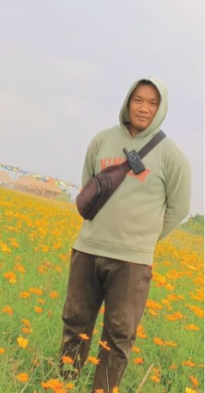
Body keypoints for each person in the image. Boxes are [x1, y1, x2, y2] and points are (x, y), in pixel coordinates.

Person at [59, 77, 191, 392]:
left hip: (132, 262)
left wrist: (143, 241)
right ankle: (62, 384)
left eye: (152, 103)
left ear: (161, 109)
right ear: (127, 102)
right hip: (88, 249)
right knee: (75, 323)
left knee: (119, 335)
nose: (144, 108)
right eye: (138, 100)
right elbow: (89, 188)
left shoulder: (172, 157)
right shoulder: (101, 140)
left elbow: (178, 208)